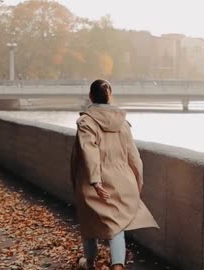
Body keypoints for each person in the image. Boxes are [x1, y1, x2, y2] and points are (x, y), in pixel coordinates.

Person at [70, 79, 159, 270]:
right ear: (110, 95)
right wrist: (137, 181)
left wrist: (95, 181)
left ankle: (90, 263)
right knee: (117, 225)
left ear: (91, 96)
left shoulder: (86, 122)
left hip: (93, 179)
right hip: (122, 178)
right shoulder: (122, 123)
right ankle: (117, 265)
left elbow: (89, 151)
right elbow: (134, 156)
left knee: (89, 222)